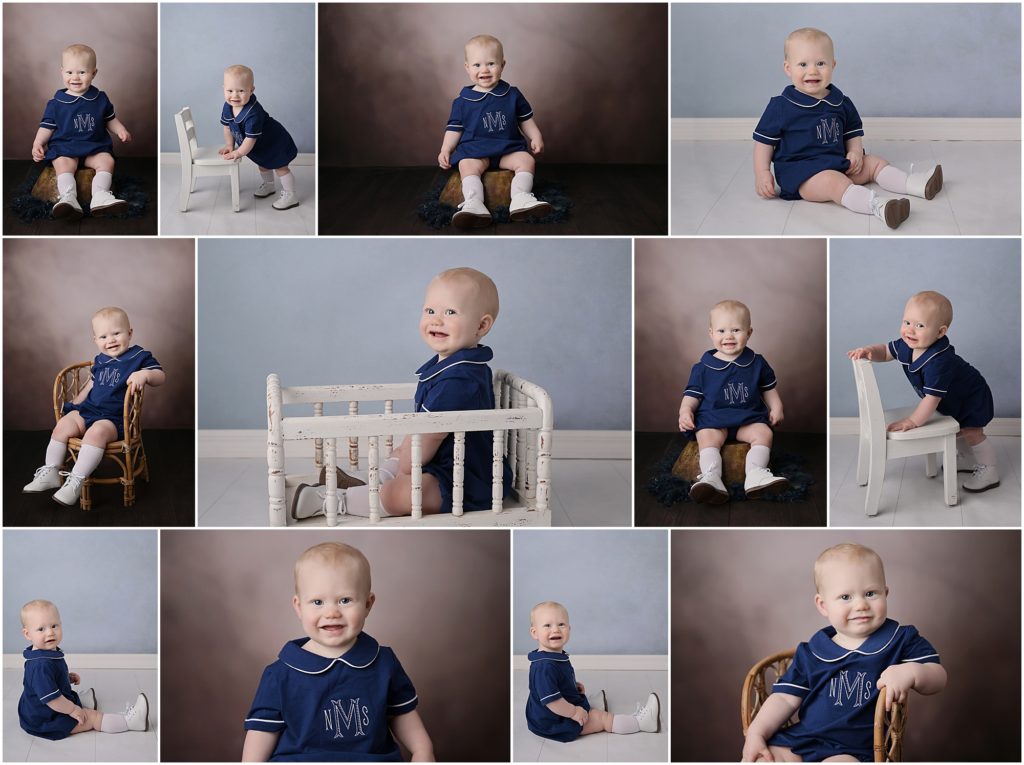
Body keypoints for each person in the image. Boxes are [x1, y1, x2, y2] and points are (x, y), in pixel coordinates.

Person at [290, 267, 512, 518]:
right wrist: (404, 457)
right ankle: (375, 481)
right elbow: (421, 431)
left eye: (450, 312)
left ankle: (332, 501)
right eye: (430, 311)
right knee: (399, 451)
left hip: (466, 478)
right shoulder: (450, 365)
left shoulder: (460, 379)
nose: (436, 320)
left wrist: (406, 470)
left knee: (404, 494)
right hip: (441, 461)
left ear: (481, 325)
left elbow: (429, 437)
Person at [741, 543, 946, 762]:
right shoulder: (813, 651)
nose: (860, 605)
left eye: (870, 593)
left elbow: (938, 676)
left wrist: (911, 672)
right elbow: (783, 699)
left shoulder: (899, 639)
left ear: (885, 593)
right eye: (846, 597)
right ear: (823, 605)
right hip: (803, 741)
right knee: (763, 760)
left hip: (853, 751)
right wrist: (756, 734)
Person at [242, 542, 434, 761]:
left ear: (368, 604)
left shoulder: (383, 663)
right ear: (299, 607)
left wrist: (422, 751)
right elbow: (261, 733)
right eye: (317, 602)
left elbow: (401, 714)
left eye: (345, 600)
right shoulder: (279, 674)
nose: (332, 612)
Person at [753, 28, 943, 229]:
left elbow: (852, 133)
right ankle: (879, 206)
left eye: (820, 63)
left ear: (833, 65)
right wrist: (762, 172)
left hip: (839, 163)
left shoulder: (841, 102)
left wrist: (854, 152)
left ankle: (915, 184)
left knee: (875, 163)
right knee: (833, 182)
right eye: (803, 64)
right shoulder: (781, 106)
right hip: (802, 175)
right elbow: (764, 143)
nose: (812, 71)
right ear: (788, 68)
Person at [848, 290, 998, 492]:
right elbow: (885, 350)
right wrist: (869, 351)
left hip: (971, 395)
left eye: (920, 325)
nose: (910, 330)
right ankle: (967, 459)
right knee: (959, 430)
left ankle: (989, 470)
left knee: (972, 431)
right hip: (952, 398)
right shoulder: (908, 344)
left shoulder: (939, 361)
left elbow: (932, 399)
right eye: (906, 322)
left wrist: (912, 421)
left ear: (940, 332)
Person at [22, 307, 164, 506]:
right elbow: (92, 384)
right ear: (95, 340)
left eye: (117, 333)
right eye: (104, 336)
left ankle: (76, 480)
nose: (111, 340)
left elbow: (160, 376)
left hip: (114, 419)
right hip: (89, 410)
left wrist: (145, 375)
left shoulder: (139, 357)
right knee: (63, 425)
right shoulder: (100, 360)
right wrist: (77, 402)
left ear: (130, 333)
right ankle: (51, 471)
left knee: (96, 433)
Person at [678, 300, 789, 504]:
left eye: (736, 330)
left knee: (763, 433)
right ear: (711, 333)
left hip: (747, 418)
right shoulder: (703, 367)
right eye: (721, 331)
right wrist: (685, 412)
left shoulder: (757, 362)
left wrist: (777, 407)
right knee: (706, 437)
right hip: (714, 420)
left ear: (749, 332)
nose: (728, 336)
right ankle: (712, 477)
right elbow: (692, 396)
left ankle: (756, 473)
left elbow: (768, 389)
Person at [437, 34, 553, 227]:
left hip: (508, 149)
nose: (484, 70)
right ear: (467, 67)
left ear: (503, 65)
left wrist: (535, 136)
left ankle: (520, 198)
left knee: (526, 161)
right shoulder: (463, 100)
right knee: (467, 165)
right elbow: (454, 129)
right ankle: (474, 203)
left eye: (491, 63)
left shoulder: (512, 94)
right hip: (476, 151)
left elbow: (525, 120)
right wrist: (446, 149)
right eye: (477, 65)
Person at [526, 601, 660, 742]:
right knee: (604, 719)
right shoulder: (544, 667)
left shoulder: (552, 656)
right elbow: (552, 701)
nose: (556, 630)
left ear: (569, 629)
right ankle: (642, 723)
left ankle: (585, 705)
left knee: (584, 706)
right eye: (547, 625)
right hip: (554, 722)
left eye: (561, 624)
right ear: (535, 633)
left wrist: (572, 686)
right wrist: (574, 712)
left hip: (549, 714)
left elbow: (555, 682)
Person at [19, 599, 148, 739]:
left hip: (36, 711)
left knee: (68, 700)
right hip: (46, 719)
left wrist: (65, 678)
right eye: (41, 629)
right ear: (27, 634)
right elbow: (53, 700)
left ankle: (76, 700)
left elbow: (49, 679)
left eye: (54, 626)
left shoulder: (45, 653)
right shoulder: (40, 665)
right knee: (92, 718)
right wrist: (73, 710)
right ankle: (131, 723)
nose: (50, 632)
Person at [32, 44, 133, 219]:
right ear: (62, 72)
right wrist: (38, 143)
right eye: (70, 72)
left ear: (94, 73)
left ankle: (100, 196)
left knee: (107, 161)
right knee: (63, 164)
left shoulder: (100, 98)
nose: (75, 78)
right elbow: (47, 127)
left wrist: (121, 130)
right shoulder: (56, 103)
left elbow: (109, 119)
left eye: (82, 72)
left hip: (94, 147)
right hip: (66, 148)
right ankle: (68, 198)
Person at [220, 65, 300, 210]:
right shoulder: (228, 106)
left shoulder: (253, 113)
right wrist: (229, 146)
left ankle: (291, 195)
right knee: (263, 165)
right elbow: (227, 127)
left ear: (251, 90)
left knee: (280, 167)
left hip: (274, 141)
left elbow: (250, 139)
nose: (235, 96)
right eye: (230, 91)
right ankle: (269, 186)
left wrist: (238, 153)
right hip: (259, 144)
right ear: (223, 89)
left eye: (241, 91)